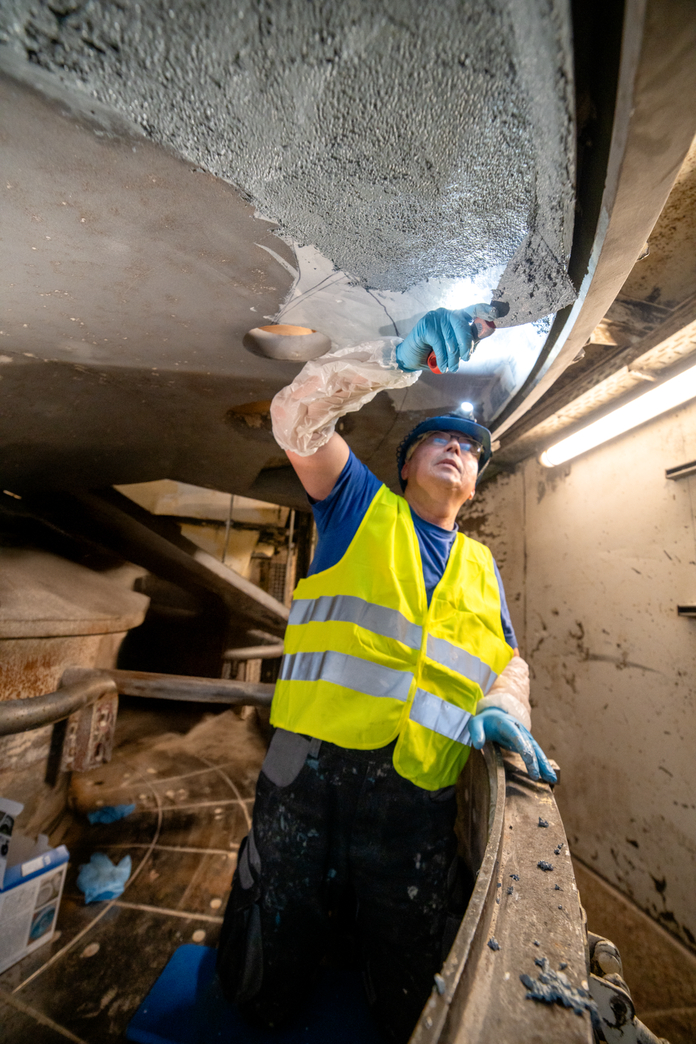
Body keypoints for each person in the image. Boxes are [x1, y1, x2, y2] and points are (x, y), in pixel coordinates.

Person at [217, 306, 556, 1043]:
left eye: (468, 448)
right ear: (405, 467)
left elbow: (508, 659)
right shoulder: (358, 508)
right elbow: (295, 417)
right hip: (309, 773)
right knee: (274, 937)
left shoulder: (482, 568)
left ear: (475, 483)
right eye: (438, 439)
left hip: (418, 794)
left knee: (407, 963)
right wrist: (393, 358)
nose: (455, 448)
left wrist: (505, 707)